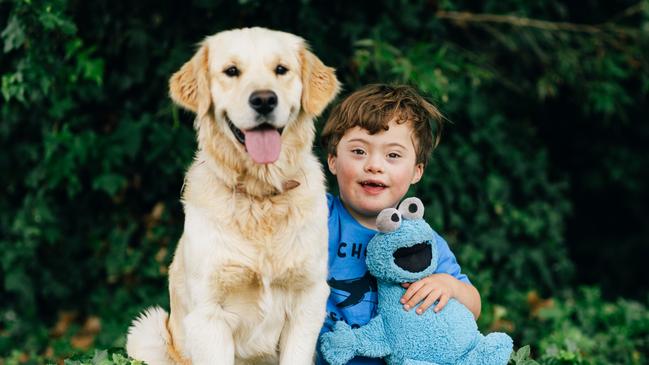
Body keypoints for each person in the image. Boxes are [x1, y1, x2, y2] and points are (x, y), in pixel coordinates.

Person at [317, 84, 481, 364]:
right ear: (333, 160)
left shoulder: (420, 241)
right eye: (358, 151)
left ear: (417, 171)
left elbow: (474, 306)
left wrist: (449, 286)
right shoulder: (318, 215)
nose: (374, 165)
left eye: (393, 155)